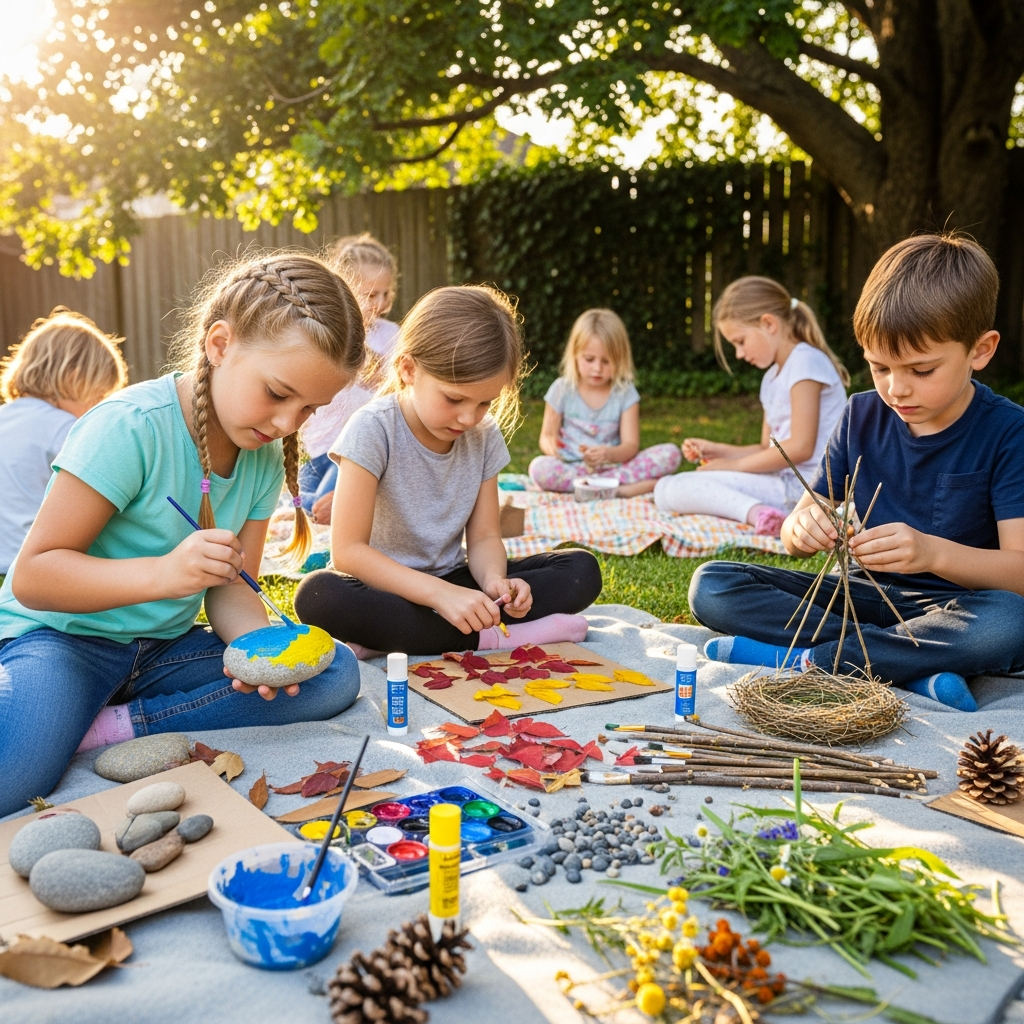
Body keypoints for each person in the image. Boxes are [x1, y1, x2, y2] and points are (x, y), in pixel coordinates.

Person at [0, 253, 366, 817]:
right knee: (11, 778)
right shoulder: (130, 427)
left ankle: (116, 726)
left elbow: (233, 587)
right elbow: (33, 577)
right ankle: (71, 714)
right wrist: (164, 574)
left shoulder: (261, 456)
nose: (287, 423)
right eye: (277, 393)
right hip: (62, 640)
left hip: (161, 651)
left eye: (309, 409)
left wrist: (255, 652)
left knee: (334, 673)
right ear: (220, 344)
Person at [692, 234, 1024, 711]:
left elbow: (1018, 572)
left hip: (954, 609)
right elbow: (798, 525)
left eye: (921, 370)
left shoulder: (1008, 432)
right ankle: (910, 667)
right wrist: (801, 527)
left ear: (981, 350)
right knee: (713, 585)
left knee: (1010, 620)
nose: (896, 388)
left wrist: (931, 552)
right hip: (858, 597)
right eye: (879, 367)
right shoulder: (861, 415)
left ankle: (813, 660)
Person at [294, 285, 604, 656]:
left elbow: (485, 537)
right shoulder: (372, 429)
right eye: (454, 399)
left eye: (484, 403)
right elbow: (348, 552)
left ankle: (402, 637)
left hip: (454, 581)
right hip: (382, 588)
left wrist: (495, 582)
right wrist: (440, 595)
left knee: (581, 570)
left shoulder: (483, 435)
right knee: (319, 595)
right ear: (409, 369)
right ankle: (491, 637)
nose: (469, 417)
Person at [652, 278, 849, 537]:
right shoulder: (771, 379)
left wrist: (732, 467)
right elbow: (767, 448)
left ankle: (760, 515)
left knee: (671, 488)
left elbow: (801, 447)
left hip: (808, 490)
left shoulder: (805, 361)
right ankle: (761, 513)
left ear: (768, 323)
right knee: (666, 488)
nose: (739, 354)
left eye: (740, 341)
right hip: (782, 481)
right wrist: (719, 451)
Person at [0, 307, 128, 575]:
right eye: (99, 396)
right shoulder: (66, 428)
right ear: (73, 379)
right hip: (30, 568)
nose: (98, 406)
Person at [299, 234, 400, 525]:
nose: (380, 303)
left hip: (358, 449)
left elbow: (397, 391)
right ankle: (359, 499)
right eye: (371, 295)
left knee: (324, 508)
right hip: (319, 449)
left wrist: (377, 366)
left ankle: (362, 499)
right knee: (306, 504)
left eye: (386, 294)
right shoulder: (328, 333)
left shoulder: (391, 335)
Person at [528, 309, 681, 495]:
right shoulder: (561, 389)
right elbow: (547, 437)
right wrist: (556, 451)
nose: (597, 368)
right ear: (575, 354)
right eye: (589, 359)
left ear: (620, 359)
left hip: (614, 467)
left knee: (671, 454)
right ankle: (617, 490)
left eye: (607, 361)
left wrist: (607, 454)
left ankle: (590, 488)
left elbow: (631, 446)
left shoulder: (625, 393)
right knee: (539, 468)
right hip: (573, 468)